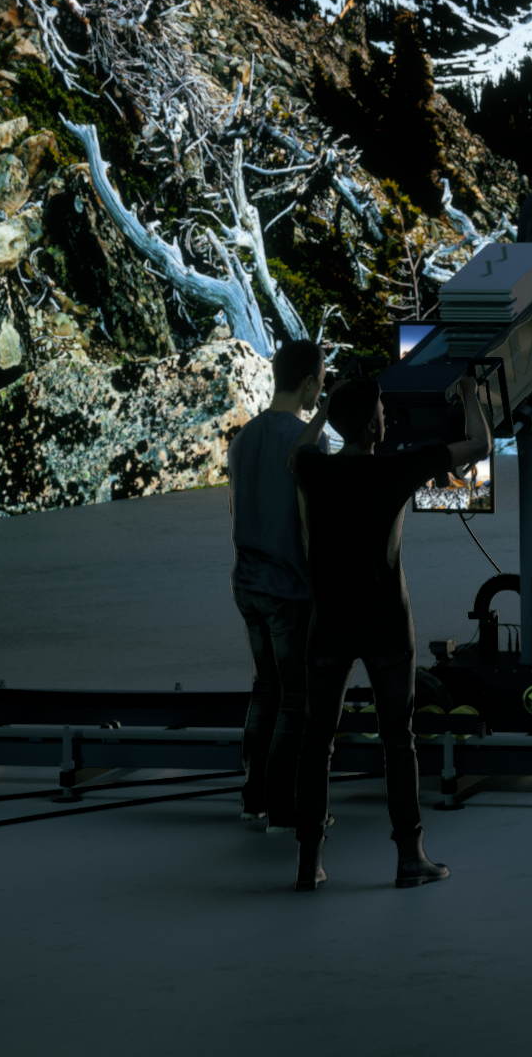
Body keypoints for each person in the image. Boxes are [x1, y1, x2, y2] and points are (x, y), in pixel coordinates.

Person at [286, 372, 488, 893]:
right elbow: (480, 445)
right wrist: (470, 394)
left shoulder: (314, 469)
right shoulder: (398, 468)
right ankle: (409, 858)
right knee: (399, 741)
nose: (386, 418)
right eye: (380, 412)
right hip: (386, 624)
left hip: (328, 623)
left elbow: (299, 447)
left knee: (316, 741)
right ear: (374, 428)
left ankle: (309, 862)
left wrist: (326, 408)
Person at [227, 337, 327, 830]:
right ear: (308, 383)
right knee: (294, 698)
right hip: (289, 586)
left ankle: (255, 798)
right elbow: (310, 524)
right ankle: (286, 807)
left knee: (265, 688)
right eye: (320, 382)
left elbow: (236, 507)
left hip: (247, 581)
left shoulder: (243, 438)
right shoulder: (308, 442)